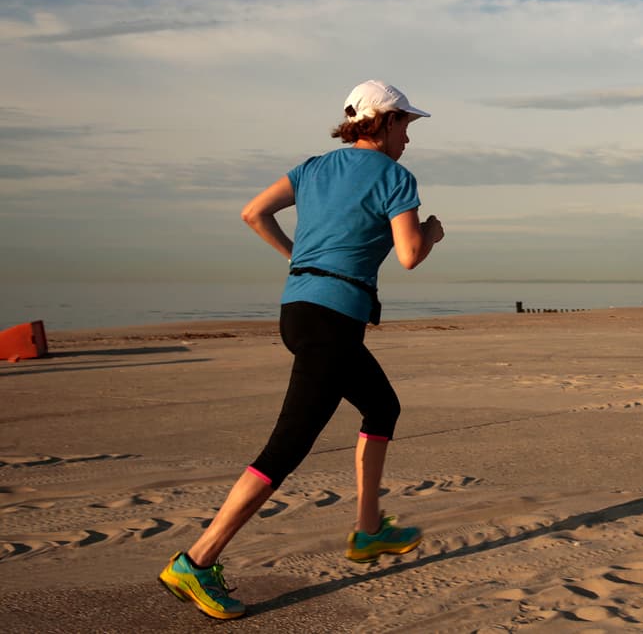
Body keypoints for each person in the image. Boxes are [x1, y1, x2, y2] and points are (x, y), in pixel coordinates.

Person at [158, 80, 446, 620]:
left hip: (299, 311)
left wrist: (298, 259)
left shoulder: (313, 168)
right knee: (287, 446)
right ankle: (197, 560)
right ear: (382, 122)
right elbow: (408, 255)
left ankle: (367, 530)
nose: (409, 135)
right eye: (406, 123)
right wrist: (430, 233)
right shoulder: (395, 177)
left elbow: (253, 213)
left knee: (382, 406)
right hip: (333, 323)